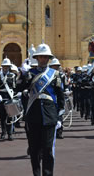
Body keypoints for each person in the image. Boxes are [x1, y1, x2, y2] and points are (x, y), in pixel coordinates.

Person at [21, 43, 64, 176]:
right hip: (33, 115)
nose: (43, 59)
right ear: (37, 58)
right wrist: (22, 74)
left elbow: (60, 97)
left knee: (48, 150)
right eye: (41, 57)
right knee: (34, 150)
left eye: (46, 57)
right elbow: (21, 90)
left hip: (49, 116)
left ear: (48, 58)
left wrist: (59, 116)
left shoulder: (55, 74)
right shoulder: (30, 73)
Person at [0, 57, 18, 141]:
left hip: (9, 98)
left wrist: (15, 95)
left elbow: (15, 88)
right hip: (1, 98)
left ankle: (10, 134)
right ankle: (3, 132)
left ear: (9, 67)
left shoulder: (12, 76)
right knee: (2, 117)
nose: (5, 68)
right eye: (4, 66)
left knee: (10, 116)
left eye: (7, 66)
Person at [49, 58, 67, 139]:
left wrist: (66, 90)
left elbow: (64, 85)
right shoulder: (48, 75)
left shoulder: (61, 75)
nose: (55, 67)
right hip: (51, 96)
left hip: (59, 95)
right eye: (54, 66)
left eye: (57, 66)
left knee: (60, 113)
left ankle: (59, 132)